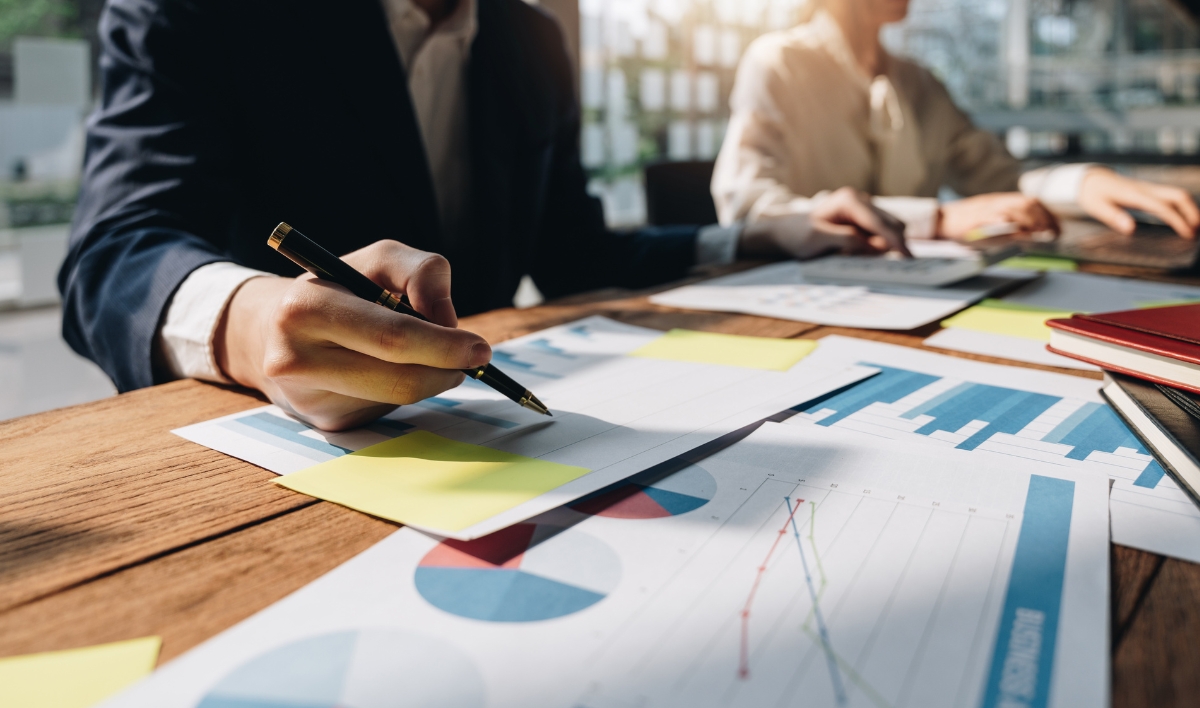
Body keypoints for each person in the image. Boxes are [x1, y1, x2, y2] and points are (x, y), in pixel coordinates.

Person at [62, 0, 907, 431]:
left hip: (487, 431)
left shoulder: (530, 39)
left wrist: (765, 233)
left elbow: (571, 252)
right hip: (273, 447)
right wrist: (252, 322)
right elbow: (111, 259)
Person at [712, 0, 1200, 243]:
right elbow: (747, 210)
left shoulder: (920, 84)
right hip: (802, 306)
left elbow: (999, 178)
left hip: (927, 300)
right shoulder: (778, 63)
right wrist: (937, 219)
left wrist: (1084, 182)